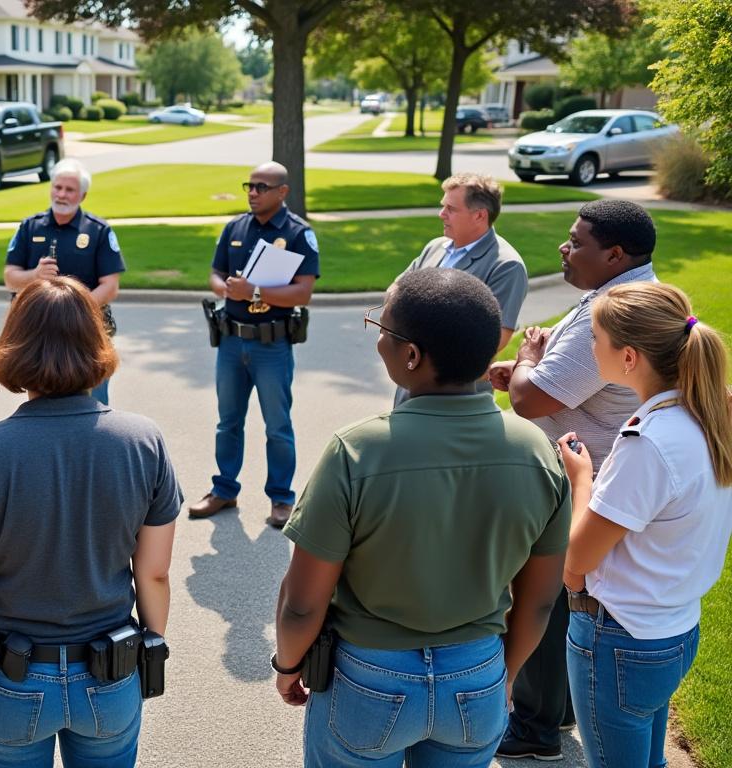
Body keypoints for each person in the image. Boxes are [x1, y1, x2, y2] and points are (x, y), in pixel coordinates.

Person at [274, 268, 568, 767]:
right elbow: (539, 601)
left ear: (411, 356)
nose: (378, 341)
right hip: (478, 673)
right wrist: (506, 676)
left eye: (381, 328)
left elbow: (303, 603)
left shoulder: (356, 451)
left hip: (369, 677)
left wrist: (287, 665)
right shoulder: (538, 451)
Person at [0, 277, 180, 768]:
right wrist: (150, 652)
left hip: (10, 679)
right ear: (96, 343)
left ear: (14, 347)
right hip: (110, 672)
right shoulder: (143, 442)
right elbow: (154, 573)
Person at [487, 199, 659, 762]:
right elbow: (555, 382)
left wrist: (526, 364)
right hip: (587, 470)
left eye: (577, 241)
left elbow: (532, 400)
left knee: (543, 593)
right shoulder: (620, 294)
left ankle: (534, 727)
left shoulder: (607, 313)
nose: (564, 248)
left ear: (615, 254)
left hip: (580, 475)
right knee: (563, 596)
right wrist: (527, 370)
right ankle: (555, 710)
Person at [555, 283, 732, 768]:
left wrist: (581, 479)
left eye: (595, 338)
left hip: (620, 639)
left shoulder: (648, 442)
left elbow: (578, 557)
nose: (591, 348)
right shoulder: (709, 415)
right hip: (674, 629)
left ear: (629, 357)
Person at [190, 161, 319, 529]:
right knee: (228, 422)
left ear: (282, 192)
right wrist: (225, 289)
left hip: (271, 345)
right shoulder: (235, 227)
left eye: (262, 187)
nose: (253, 193)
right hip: (231, 342)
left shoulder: (297, 233)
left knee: (277, 425)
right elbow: (215, 274)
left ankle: (281, 498)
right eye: (250, 185)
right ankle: (224, 490)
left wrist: (255, 292)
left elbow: (304, 292)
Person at [395, 173, 526, 404]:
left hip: (456, 396)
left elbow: (496, 337)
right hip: (411, 383)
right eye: (443, 206)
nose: (441, 214)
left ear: (479, 215)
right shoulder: (435, 247)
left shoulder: (506, 266)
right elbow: (395, 292)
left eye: (451, 209)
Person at [4, 158, 125, 403]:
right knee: (41, 405)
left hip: (86, 333)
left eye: (69, 190)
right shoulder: (29, 227)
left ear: (83, 195)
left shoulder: (98, 231)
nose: (61, 194)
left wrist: (73, 311)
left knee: (94, 404)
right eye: (57, 187)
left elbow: (110, 287)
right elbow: (10, 278)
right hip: (39, 333)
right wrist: (34, 276)